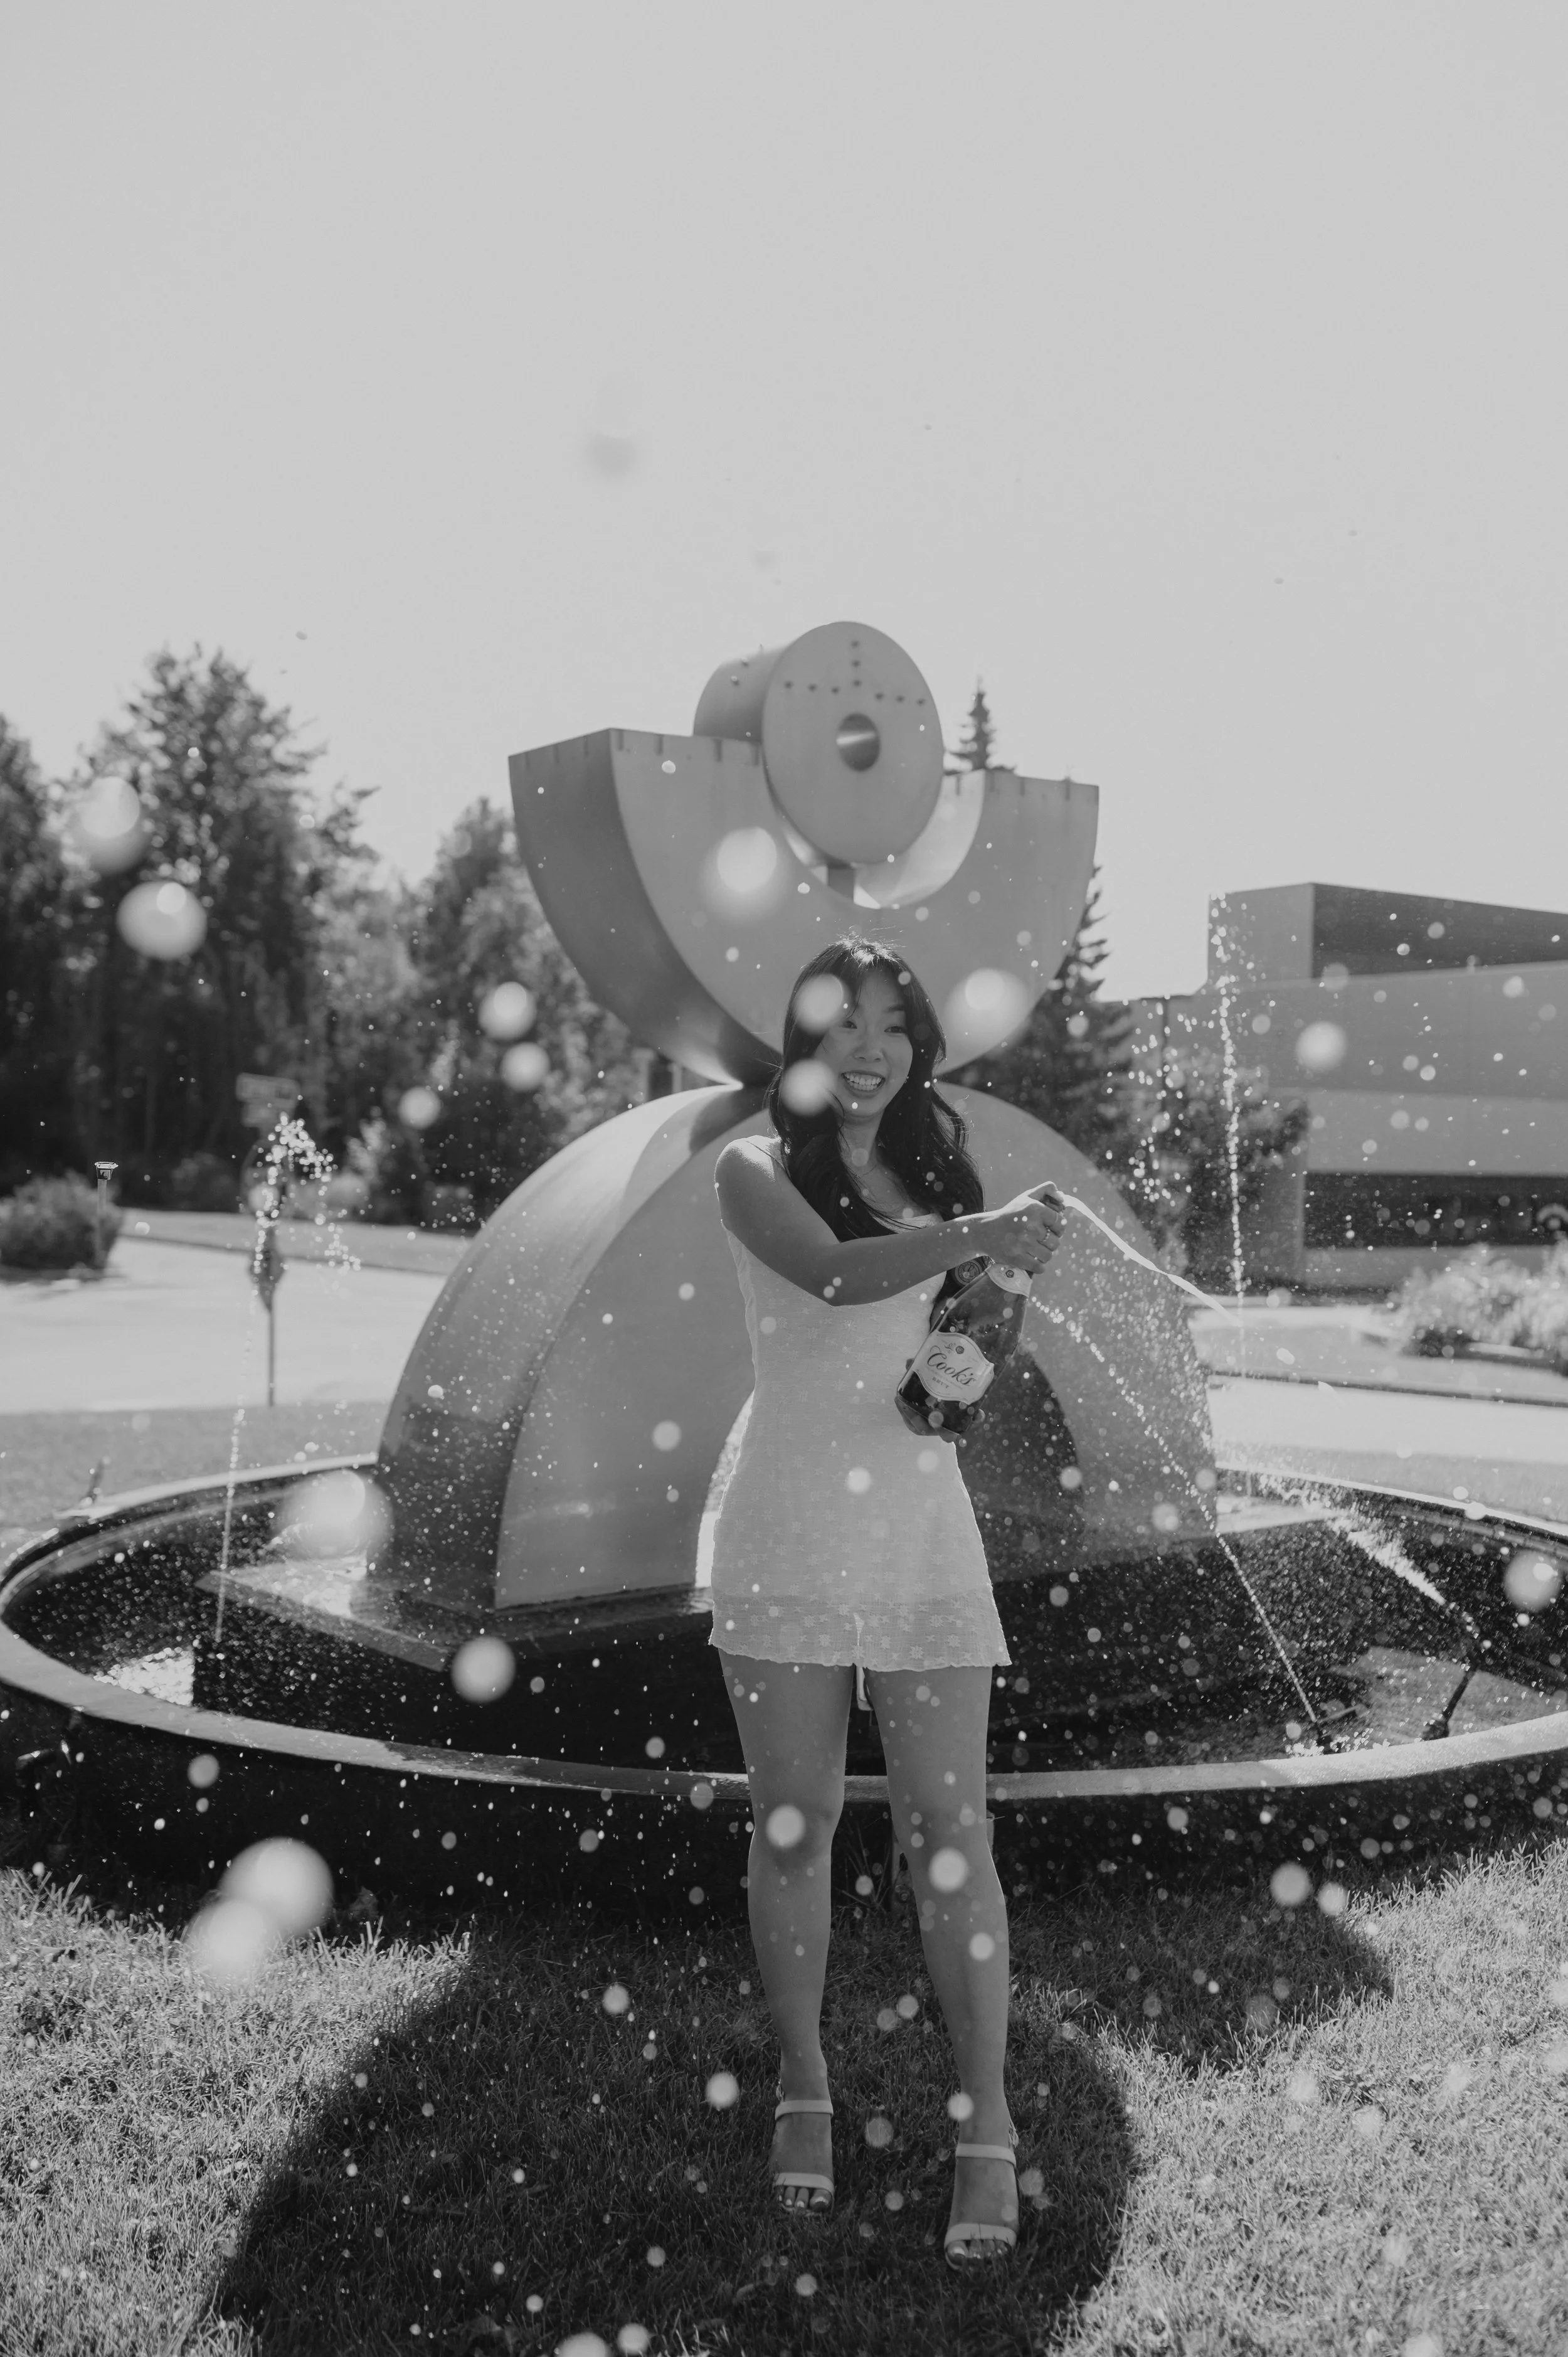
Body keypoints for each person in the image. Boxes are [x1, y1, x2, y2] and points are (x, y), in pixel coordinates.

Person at [709, 934, 1065, 2269]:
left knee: (949, 1834)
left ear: (916, 1043)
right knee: (793, 1827)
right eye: (839, 1022)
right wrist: (978, 1232)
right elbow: (834, 1275)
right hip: (786, 1521)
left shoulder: (934, 1173)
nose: (866, 1047)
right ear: (797, 1041)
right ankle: (804, 2086)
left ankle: (987, 2122)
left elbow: (942, 1347)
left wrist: (990, 1305)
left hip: (917, 1522)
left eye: (891, 1024)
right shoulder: (751, 1171)